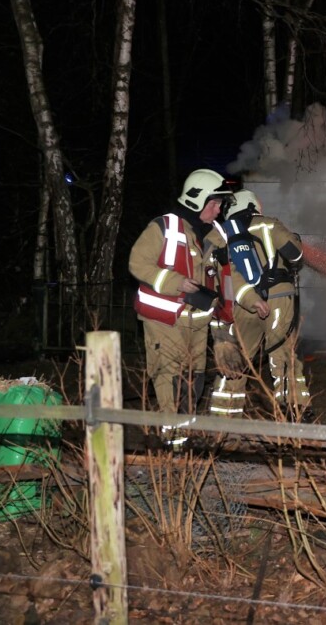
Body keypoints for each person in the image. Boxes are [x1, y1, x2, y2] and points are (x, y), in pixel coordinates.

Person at [128, 169, 234, 444]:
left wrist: (224, 315)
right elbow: (137, 263)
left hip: (197, 322)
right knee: (169, 375)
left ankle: (183, 434)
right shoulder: (164, 227)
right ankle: (173, 438)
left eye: (220, 203)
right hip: (165, 317)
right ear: (196, 199)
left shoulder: (215, 235)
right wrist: (176, 282)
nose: (218, 209)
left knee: (193, 379)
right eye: (215, 202)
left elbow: (224, 278)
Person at [209, 189, 311, 421]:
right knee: (282, 356)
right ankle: (294, 413)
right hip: (277, 297)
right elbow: (295, 254)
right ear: (253, 205)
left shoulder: (222, 234)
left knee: (236, 361)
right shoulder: (268, 225)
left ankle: (223, 422)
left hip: (242, 304)